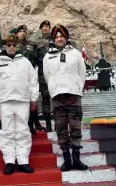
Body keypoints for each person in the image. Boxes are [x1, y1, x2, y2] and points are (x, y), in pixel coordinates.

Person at [0, 34, 39, 175]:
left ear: (17, 46)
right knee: (7, 132)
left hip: (23, 101)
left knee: (23, 131)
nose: (11, 47)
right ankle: (9, 161)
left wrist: (34, 98)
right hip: (5, 101)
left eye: (13, 45)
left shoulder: (25, 62)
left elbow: (33, 81)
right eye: (9, 44)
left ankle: (23, 161)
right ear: (5, 46)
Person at [43, 24, 88, 172]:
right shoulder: (47, 56)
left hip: (73, 94)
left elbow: (82, 72)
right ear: (53, 39)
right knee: (61, 128)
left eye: (61, 36)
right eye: (56, 37)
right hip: (57, 96)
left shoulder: (75, 53)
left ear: (66, 38)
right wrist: (53, 89)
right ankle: (67, 159)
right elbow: (47, 76)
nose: (59, 39)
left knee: (75, 127)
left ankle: (76, 158)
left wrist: (77, 87)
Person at [16, 25, 44, 134]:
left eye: (24, 31)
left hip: (30, 75)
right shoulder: (13, 45)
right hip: (18, 77)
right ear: (17, 34)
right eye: (20, 31)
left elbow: (37, 59)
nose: (22, 33)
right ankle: (26, 125)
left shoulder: (32, 45)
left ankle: (35, 124)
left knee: (32, 100)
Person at [34, 20, 52, 132]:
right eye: (43, 26)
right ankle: (49, 125)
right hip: (42, 72)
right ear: (40, 29)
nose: (45, 28)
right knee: (45, 98)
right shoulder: (36, 42)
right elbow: (35, 57)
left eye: (47, 26)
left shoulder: (55, 39)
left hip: (54, 72)